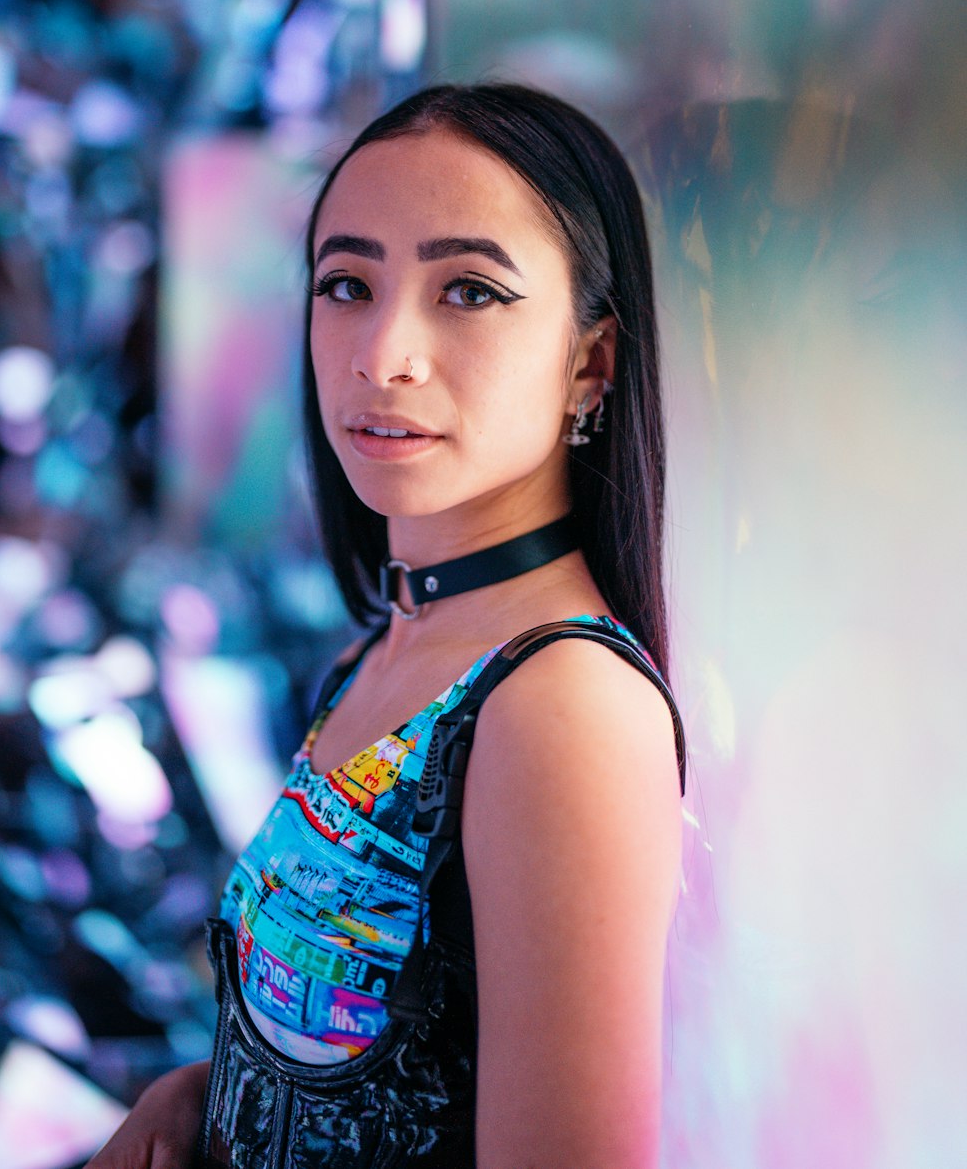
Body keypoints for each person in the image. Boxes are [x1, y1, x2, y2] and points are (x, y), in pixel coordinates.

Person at [86, 81, 685, 1169]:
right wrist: (205, 1091)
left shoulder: (562, 706)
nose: (384, 354)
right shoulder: (397, 634)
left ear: (589, 363)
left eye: (468, 291)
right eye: (348, 284)